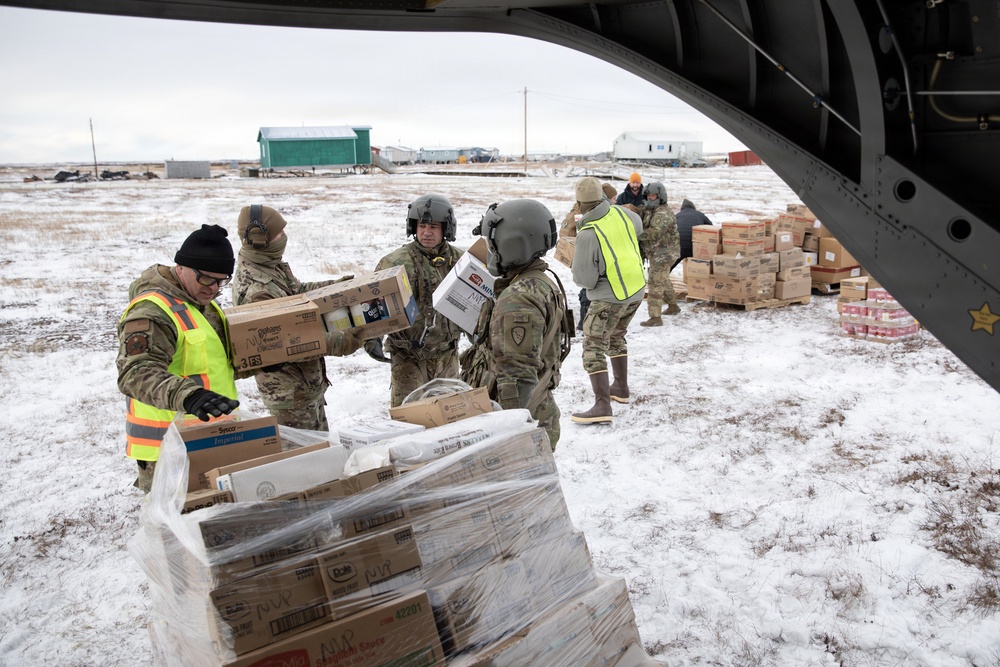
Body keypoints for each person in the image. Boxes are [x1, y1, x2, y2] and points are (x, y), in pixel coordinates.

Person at [116, 224, 241, 493]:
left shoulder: (201, 302)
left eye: (222, 281)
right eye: (207, 279)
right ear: (181, 266)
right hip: (166, 449)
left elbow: (210, 363)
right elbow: (135, 373)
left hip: (208, 436)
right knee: (176, 530)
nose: (214, 288)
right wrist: (189, 395)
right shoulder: (151, 312)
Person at [231, 205, 361, 431]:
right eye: (279, 234)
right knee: (306, 461)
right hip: (289, 396)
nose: (284, 238)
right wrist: (342, 341)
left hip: (305, 388)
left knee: (322, 454)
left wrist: (338, 287)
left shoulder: (269, 266)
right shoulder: (258, 289)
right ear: (260, 239)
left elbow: (299, 293)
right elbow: (287, 343)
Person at [461, 199, 572, 449]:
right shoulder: (539, 282)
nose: (489, 250)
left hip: (517, 421)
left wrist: (507, 437)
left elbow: (516, 377)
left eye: (493, 243)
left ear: (514, 245)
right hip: (534, 411)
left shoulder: (519, 297)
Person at [366, 193, 465, 407]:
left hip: (447, 355)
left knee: (450, 415)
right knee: (408, 417)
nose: (426, 232)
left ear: (446, 229)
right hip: (407, 357)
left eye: (433, 227)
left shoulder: (460, 261)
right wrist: (371, 337)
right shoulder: (395, 262)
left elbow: (476, 300)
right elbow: (375, 302)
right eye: (422, 226)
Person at [570, 177, 646, 424]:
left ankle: (602, 404)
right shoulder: (626, 215)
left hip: (609, 295)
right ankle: (620, 388)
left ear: (580, 204)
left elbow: (584, 279)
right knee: (616, 335)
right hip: (636, 289)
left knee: (593, 345)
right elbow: (637, 231)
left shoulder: (588, 232)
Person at [562, 183, 618, 331]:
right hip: (586, 255)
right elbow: (565, 232)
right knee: (588, 288)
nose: (615, 201)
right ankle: (584, 322)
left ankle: (589, 321)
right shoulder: (583, 212)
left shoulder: (604, 211)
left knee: (592, 288)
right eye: (613, 198)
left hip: (595, 255)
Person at [638, 182, 681, 326]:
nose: (650, 198)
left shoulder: (663, 213)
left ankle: (655, 317)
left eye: (653, 195)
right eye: (648, 195)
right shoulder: (650, 210)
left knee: (655, 282)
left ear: (660, 196)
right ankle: (673, 306)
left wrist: (635, 235)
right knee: (662, 278)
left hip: (665, 253)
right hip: (656, 253)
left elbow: (655, 232)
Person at [672, 198, 714, 271]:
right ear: (693, 207)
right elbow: (711, 227)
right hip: (694, 247)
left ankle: (660, 280)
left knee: (668, 268)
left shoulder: (677, 215)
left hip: (679, 246)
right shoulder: (700, 215)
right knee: (698, 270)